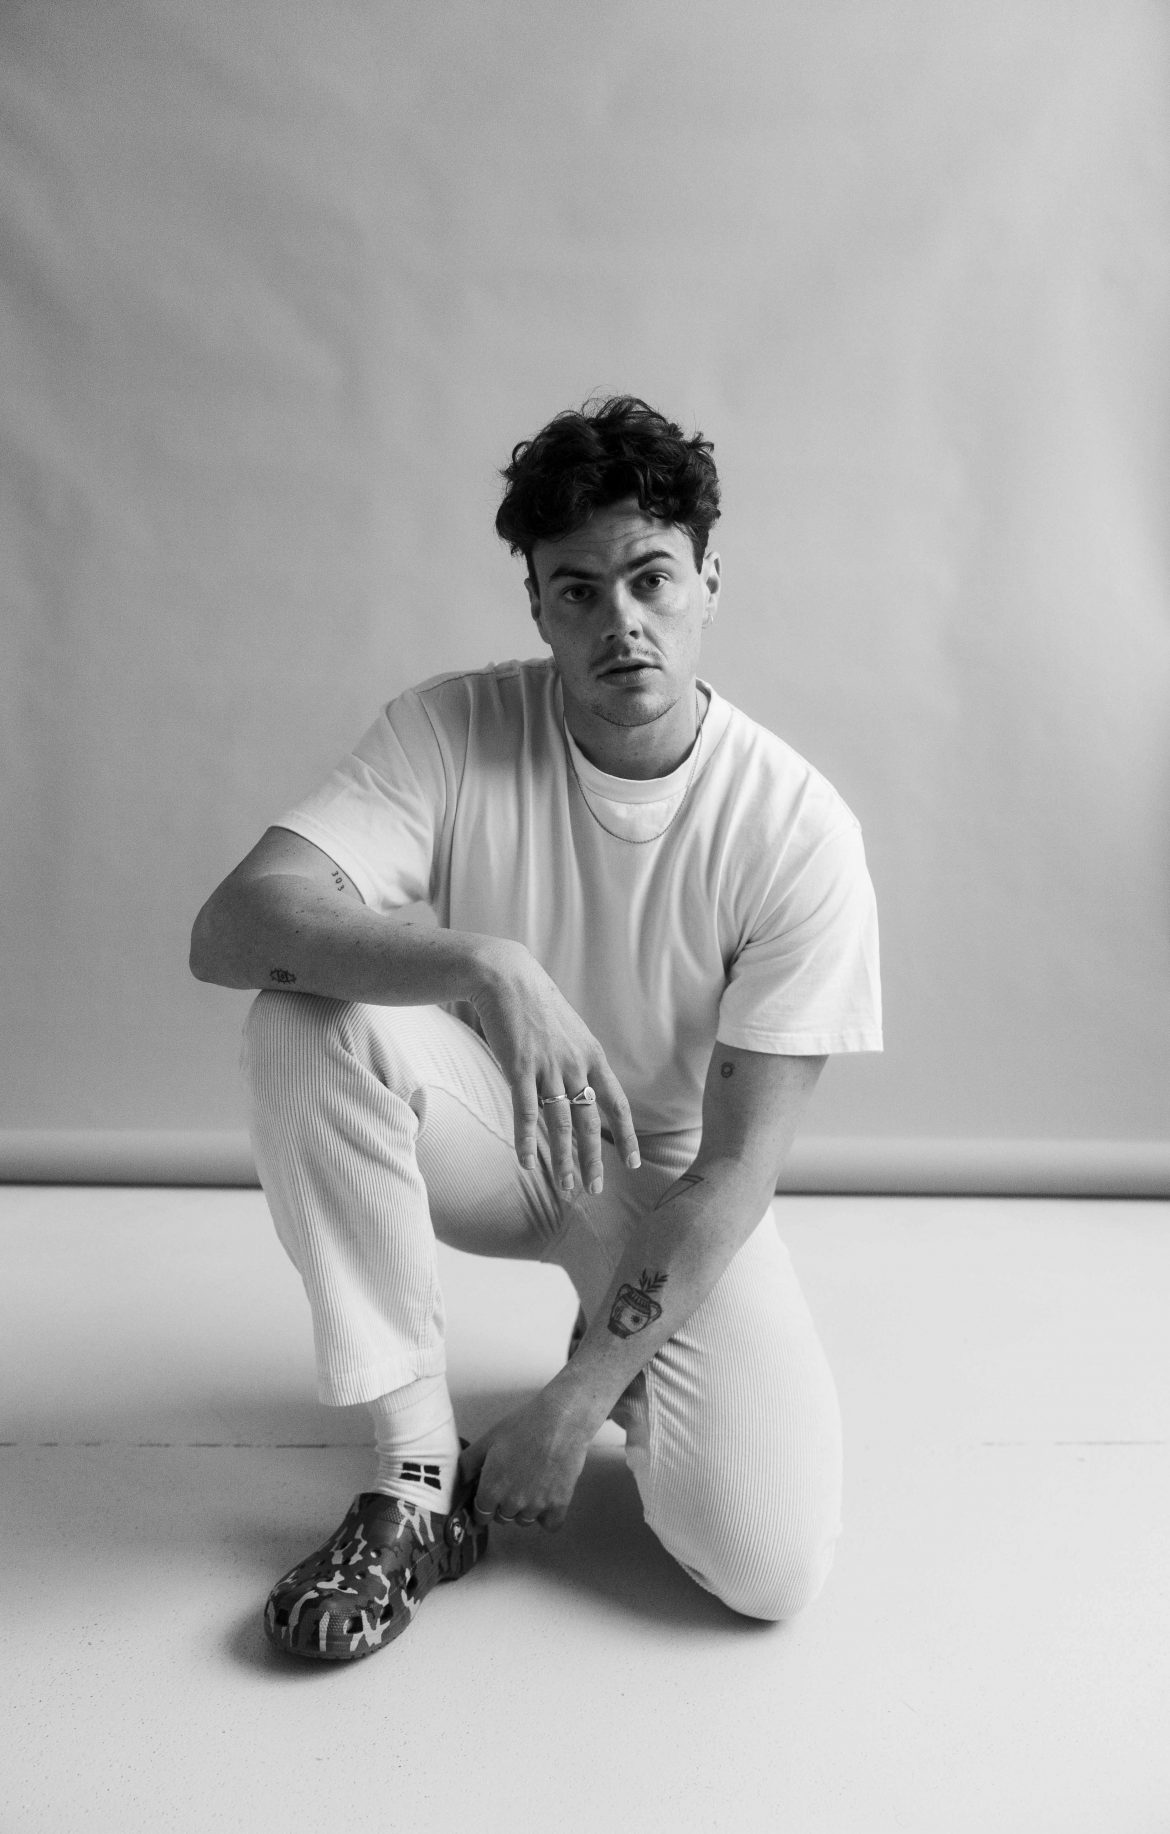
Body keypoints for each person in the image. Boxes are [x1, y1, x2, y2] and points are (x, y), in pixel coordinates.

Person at [189, 395, 882, 1662]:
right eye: (578, 590)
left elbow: (738, 1171)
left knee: (769, 1567)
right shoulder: (451, 730)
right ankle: (414, 1484)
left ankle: (607, 1329)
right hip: (502, 1137)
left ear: (709, 581)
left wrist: (580, 1393)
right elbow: (235, 926)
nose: (621, 621)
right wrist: (486, 965)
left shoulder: (797, 830)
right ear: (539, 607)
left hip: (671, 1192)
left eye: (651, 577)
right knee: (302, 1017)